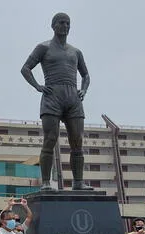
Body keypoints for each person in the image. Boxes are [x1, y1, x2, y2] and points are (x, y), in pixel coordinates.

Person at [21, 12, 93, 191]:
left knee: (77, 141)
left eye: (68, 23)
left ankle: (78, 182)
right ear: (53, 25)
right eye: (61, 23)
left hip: (73, 98)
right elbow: (25, 68)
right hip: (52, 96)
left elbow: (85, 75)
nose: (65, 26)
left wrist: (83, 90)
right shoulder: (43, 47)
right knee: (50, 139)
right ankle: (45, 182)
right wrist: (38, 86)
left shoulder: (76, 51)